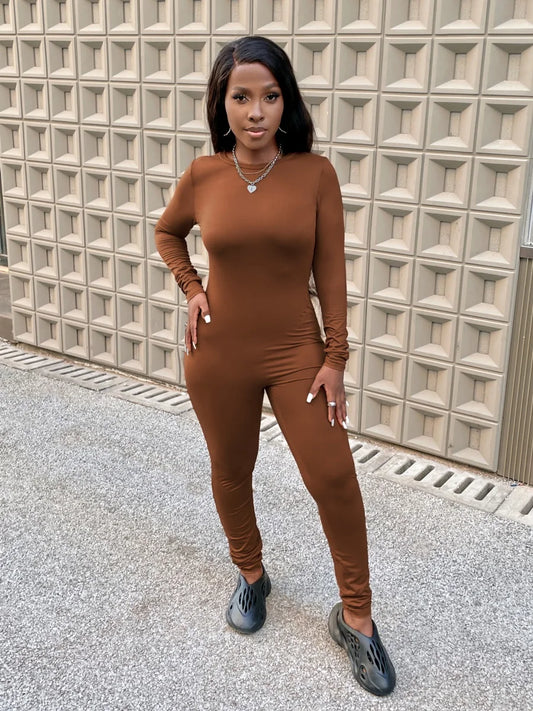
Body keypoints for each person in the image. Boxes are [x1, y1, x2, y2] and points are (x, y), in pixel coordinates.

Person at [155, 35, 396, 696]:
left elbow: (332, 271)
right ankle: (251, 575)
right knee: (231, 470)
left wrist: (335, 356)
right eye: (241, 97)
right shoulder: (204, 175)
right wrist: (192, 287)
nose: (256, 111)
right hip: (219, 353)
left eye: (269, 95)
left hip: (297, 353)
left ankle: (356, 617)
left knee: (333, 474)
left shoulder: (314, 174)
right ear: (222, 103)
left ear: (285, 101)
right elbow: (166, 231)